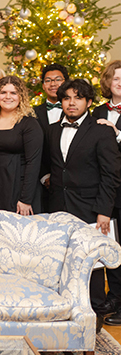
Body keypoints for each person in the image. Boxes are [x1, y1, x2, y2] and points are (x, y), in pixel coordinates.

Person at [46, 78, 121, 329]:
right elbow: (53, 164)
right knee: (63, 258)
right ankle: (65, 309)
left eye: (78, 98)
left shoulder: (101, 131)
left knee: (93, 262)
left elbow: (111, 175)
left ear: (89, 102)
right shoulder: (53, 130)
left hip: (90, 206)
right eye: (66, 98)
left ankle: (96, 311)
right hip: (59, 204)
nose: (71, 103)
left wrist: (103, 211)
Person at [0, 76, 43, 215]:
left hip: (18, 188)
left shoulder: (29, 124)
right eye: (3, 92)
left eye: (13, 93)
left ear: (21, 96)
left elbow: (33, 163)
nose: (7, 97)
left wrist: (25, 199)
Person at [91, 61, 121, 325]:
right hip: (105, 189)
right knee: (110, 244)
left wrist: (117, 134)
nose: (120, 83)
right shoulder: (98, 110)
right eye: (116, 78)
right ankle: (114, 297)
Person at [34, 63, 69, 212]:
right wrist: (44, 176)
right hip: (39, 181)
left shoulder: (75, 112)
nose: (53, 84)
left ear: (66, 82)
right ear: (43, 86)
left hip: (69, 184)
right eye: (48, 80)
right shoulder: (32, 113)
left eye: (57, 79)